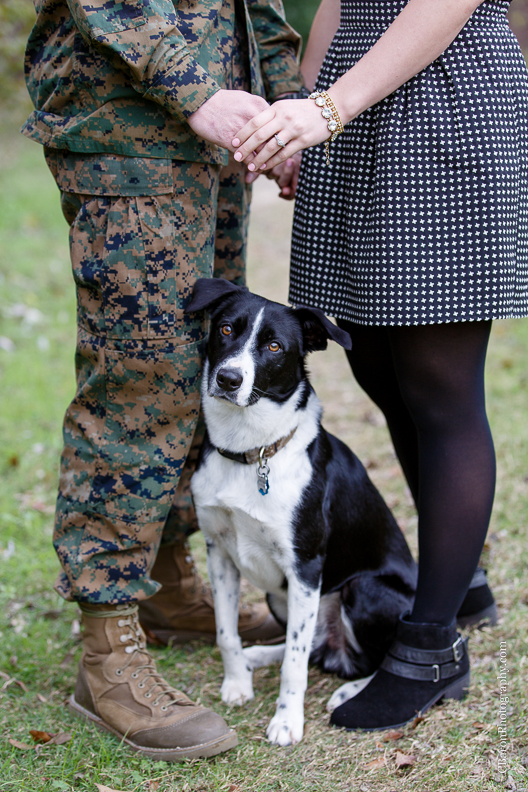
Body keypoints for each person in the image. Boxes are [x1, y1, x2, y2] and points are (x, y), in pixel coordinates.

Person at [232, 0, 528, 730]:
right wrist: (300, 108)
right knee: (377, 365)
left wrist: (327, 109)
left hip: (442, 96)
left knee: (439, 389)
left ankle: (429, 650)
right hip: (357, 100)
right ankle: (465, 584)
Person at [22, 0, 304, 760]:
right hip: (129, 130)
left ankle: (168, 582)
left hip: (217, 137)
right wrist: (197, 92)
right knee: (141, 381)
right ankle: (107, 649)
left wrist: (281, 104)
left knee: (202, 375)